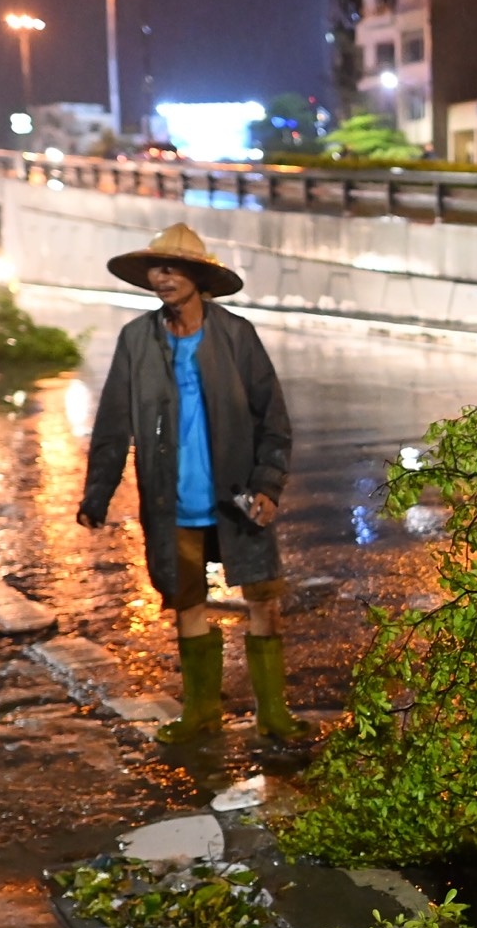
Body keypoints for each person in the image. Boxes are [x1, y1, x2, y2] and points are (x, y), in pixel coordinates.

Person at [76, 222, 308, 754]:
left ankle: (273, 713)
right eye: (157, 268)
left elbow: (273, 419)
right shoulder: (137, 339)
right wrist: (97, 494)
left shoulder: (236, 334)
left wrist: (268, 485)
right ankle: (202, 712)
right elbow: (114, 423)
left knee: (263, 602)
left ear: (199, 278)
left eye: (174, 268)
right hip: (170, 499)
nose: (164, 277)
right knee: (187, 603)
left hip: (238, 498)